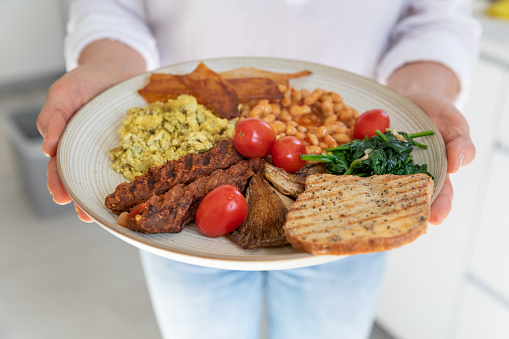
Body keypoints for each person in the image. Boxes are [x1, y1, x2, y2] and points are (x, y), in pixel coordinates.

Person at [36, 1, 480, 338]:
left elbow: (438, 19)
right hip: (188, 238)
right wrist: (108, 65)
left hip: (347, 214)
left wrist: (419, 91)